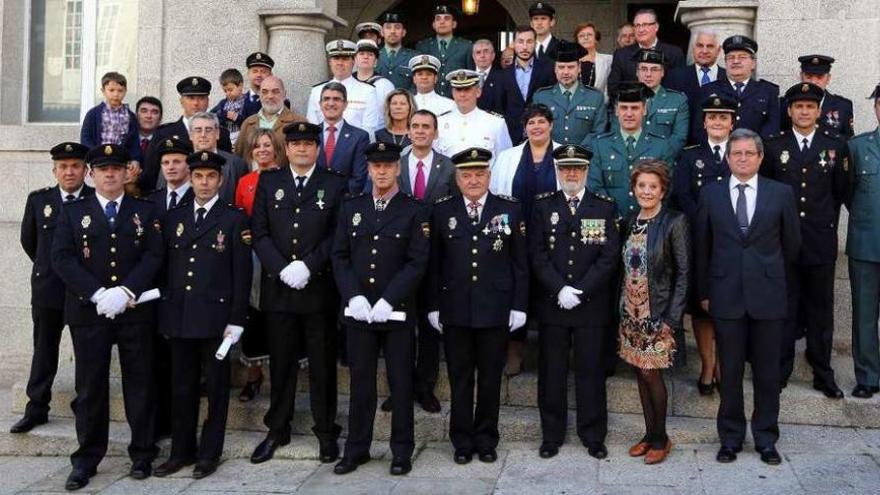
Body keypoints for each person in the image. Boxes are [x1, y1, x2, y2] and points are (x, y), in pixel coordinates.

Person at [51, 144, 164, 490]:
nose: (110, 174)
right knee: (90, 388)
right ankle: (86, 458)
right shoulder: (73, 212)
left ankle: (142, 454)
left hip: (135, 312)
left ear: (127, 173)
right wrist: (99, 294)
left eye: (116, 168)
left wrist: (126, 291)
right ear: (91, 174)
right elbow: (62, 258)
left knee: (140, 384)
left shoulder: (145, 210)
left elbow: (155, 254)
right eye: (102, 169)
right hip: (90, 313)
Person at [695, 128, 801, 465]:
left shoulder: (780, 193)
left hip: (768, 296)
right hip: (726, 295)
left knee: (767, 374)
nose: (742, 158)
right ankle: (730, 438)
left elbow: (792, 246)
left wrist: (769, 276)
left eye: (748, 153)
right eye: (736, 153)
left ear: (759, 157)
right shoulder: (711, 194)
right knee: (730, 372)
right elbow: (703, 248)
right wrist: (705, 292)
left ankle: (766, 439)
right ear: (728, 158)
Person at [249, 122, 347, 465]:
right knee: (282, 362)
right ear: (286, 149)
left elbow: (338, 234)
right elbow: (258, 232)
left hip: (318, 289)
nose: (302, 149)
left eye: (309, 144)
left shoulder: (334, 183)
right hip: (279, 290)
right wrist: (281, 268)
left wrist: (308, 266)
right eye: (296, 144)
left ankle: (325, 430)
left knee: (322, 364)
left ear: (317, 149)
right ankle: (278, 428)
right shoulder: (270, 181)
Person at [331, 141, 430, 476]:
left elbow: (418, 262)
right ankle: (356, 448)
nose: (382, 171)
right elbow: (340, 256)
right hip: (359, 313)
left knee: (401, 384)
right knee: (361, 385)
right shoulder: (351, 207)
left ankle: (401, 450)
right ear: (369, 169)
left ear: (398, 168)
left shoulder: (414, 209)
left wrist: (389, 299)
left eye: (388, 165)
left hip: (397, 312)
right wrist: (353, 297)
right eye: (376, 166)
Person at [152, 150, 251, 480]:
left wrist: (237, 320)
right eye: (198, 176)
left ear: (221, 181)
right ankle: (181, 451)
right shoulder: (174, 218)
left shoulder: (233, 219)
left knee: (218, 390)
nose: (204, 182)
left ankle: (209, 453)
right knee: (181, 388)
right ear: (190, 179)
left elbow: (241, 274)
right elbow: (164, 270)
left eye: (211, 176)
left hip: (216, 320)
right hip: (180, 317)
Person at [427, 147, 528, 464]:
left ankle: (486, 439)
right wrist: (433, 305)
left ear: (488, 176)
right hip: (455, 308)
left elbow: (519, 262)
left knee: (489, 378)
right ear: (457, 178)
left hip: (495, 308)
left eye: (479, 174)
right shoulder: (443, 210)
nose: (473, 180)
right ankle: (461, 440)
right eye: (466, 175)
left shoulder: (508, 208)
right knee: (460, 378)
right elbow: (434, 263)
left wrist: (519, 305)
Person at [529, 144, 618, 460]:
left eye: (577, 169)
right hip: (554, 304)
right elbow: (537, 254)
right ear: (557, 171)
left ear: (586, 172)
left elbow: (608, 258)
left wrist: (579, 290)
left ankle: (593, 435)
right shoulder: (542, 207)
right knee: (551, 373)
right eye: (565, 168)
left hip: (590, 304)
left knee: (591, 372)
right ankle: (551, 435)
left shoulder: (603, 207)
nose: (571, 173)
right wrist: (559, 289)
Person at [762, 82, 849, 397]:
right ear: (789, 110)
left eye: (810, 106)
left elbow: (841, 192)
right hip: (783, 243)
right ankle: (781, 370)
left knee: (820, 311)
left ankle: (822, 373)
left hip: (819, 241)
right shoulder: (773, 146)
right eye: (798, 106)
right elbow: (767, 194)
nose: (803, 111)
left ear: (819, 111)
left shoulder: (835, 146)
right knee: (783, 309)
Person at [11, 142, 93, 435]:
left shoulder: (95, 201)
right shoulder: (39, 201)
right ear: (54, 170)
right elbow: (29, 242)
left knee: (86, 353)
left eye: (75, 166)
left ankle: (84, 404)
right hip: (48, 289)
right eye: (63, 167)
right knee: (44, 349)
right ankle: (36, 408)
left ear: (85, 170)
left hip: (83, 292)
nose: (69, 172)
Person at [380, 110, 457, 414]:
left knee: (428, 325)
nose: (421, 131)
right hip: (396, 255)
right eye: (415, 126)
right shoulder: (393, 162)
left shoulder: (448, 167)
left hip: (435, 255)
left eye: (427, 126)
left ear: (435, 133)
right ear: (408, 131)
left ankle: (425, 387)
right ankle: (397, 388)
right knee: (396, 326)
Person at [619, 160, 689, 465]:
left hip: (657, 314)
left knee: (651, 373)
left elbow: (684, 273)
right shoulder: (629, 220)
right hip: (630, 314)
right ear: (634, 189)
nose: (646, 191)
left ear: (662, 191)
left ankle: (661, 438)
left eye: (653, 186)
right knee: (639, 372)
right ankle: (649, 435)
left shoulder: (675, 222)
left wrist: (672, 319)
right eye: (641, 186)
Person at [672, 95, 736, 395]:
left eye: (723, 118)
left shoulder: (741, 153)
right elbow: (683, 195)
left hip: (733, 242)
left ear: (732, 122)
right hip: (698, 241)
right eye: (712, 117)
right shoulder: (690, 156)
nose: (717, 123)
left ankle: (723, 364)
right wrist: (704, 225)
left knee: (727, 307)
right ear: (705, 122)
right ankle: (707, 364)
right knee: (701, 309)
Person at [233, 129, 284, 402]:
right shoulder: (245, 182)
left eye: (268, 145)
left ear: (276, 149)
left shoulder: (286, 178)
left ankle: (281, 377)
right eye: (257, 146)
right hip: (253, 257)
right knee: (253, 313)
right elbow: (240, 217)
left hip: (282, 256)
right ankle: (253, 376)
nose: (262, 150)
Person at [587, 81, 675, 218]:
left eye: (634, 108)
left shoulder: (661, 146)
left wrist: (647, 215)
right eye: (624, 108)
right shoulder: (599, 145)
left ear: (644, 109)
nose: (629, 114)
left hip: (649, 222)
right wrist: (614, 215)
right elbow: (595, 186)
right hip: (611, 221)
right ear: (616, 110)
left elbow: (667, 188)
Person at [139, 76, 232, 192]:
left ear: (208, 101)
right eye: (191, 98)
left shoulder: (221, 134)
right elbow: (150, 176)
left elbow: (227, 169)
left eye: (201, 98)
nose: (196, 103)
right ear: (181, 101)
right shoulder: (164, 134)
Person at [847, 83, 880, 399]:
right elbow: (846, 192)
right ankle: (868, 376)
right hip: (866, 244)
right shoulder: (857, 147)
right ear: (876, 107)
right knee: (865, 315)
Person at [698, 35, 779, 141]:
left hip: (755, 153)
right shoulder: (708, 90)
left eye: (742, 57)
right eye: (731, 57)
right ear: (726, 62)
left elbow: (773, 128)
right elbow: (699, 128)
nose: (736, 61)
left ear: (753, 63)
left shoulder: (768, 91)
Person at [533, 42, 608, 146]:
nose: (566, 72)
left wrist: (578, 152)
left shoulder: (595, 97)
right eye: (561, 67)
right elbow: (537, 130)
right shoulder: (541, 97)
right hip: (550, 157)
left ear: (579, 68)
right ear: (555, 69)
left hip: (586, 157)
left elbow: (599, 131)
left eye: (571, 67)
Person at [620, 48, 688, 155]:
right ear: (637, 72)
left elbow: (679, 138)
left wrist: (658, 158)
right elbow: (617, 135)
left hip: (662, 164)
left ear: (662, 72)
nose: (648, 74)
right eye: (643, 69)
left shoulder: (677, 100)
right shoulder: (621, 99)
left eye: (654, 69)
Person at [436, 69, 513, 163]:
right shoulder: (439, 122)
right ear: (452, 93)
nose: (462, 94)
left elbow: (505, 161)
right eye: (458, 89)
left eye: (467, 89)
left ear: (478, 92)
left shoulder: (496, 123)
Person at [496, 26, 557, 144]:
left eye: (529, 41)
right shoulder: (503, 75)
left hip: (541, 133)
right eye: (520, 41)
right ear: (513, 44)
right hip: (511, 136)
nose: (525, 47)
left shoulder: (548, 70)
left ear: (535, 43)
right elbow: (500, 108)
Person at [607, 9, 685, 101]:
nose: (640, 29)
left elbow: (680, 87)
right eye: (637, 25)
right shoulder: (621, 55)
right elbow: (613, 88)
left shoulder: (674, 53)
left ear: (656, 27)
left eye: (645, 25)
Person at [307, 40, 382, 132]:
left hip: (357, 145)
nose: (340, 63)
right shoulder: (316, 91)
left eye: (345, 59)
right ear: (330, 62)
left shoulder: (368, 91)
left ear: (353, 62)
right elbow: (312, 127)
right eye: (336, 58)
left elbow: (370, 129)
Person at [665, 30, 725, 141]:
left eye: (710, 46)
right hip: (684, 147)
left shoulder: (728, 78)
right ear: (693, 48)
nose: (704, 50)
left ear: (718, 50)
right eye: (700, 45)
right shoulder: (674, 77)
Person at [176, 112, 248, 204]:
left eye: (208, 130)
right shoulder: (178, 164)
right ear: (190, 135)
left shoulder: (237, 165)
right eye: (198, 130)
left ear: (217, 133)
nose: (203, 135)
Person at [234, 75, 307, 165]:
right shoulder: (248, 123)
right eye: (264, 92)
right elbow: (238, 157)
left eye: (275, 92)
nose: (270, 96)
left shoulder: (298, 122)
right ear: (259, 95)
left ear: (284, 94)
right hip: (253, 178)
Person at [314, 82, 371, 194]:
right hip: (312, 202)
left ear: (345, 104)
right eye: (326, 99)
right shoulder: (311, 135)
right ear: (320, 104)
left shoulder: (359, 137)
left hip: (344, 202)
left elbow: (359, 179)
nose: (331, 103)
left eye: (336, 99)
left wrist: (331, 194)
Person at [780, 55, 854, 139]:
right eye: (809, 76)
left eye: (819, 77)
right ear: (801, 76)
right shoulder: (785, 104)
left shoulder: (843, 106)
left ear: (828, 78)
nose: (813, 82)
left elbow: (848, 141)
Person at [416, 4, 475, 97]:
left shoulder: (466, 47)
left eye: (447, 18)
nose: (442, 22)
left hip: (457, 101)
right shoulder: (422, 46)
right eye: (438, 19)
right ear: (434, 25)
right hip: (430, 101)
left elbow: (472, 77)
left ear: (454, 24)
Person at [80, 72, 141, 162]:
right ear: (103, 91)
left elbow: (134, 142)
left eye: (120, 90)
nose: (116, 94)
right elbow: (85, 138)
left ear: (125, 91)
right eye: (111, 90)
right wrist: (95, 154)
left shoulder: (130, 116)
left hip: (121, 161)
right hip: (98, 160)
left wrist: (135, 159)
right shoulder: (93, 114)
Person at [146, 138, 194, 214]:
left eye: (176, 162)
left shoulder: (199, 198)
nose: (170, 167)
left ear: (189, 166)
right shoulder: (151, 200)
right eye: (166, 162)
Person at [376, 11, 419, 89]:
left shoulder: (414, 57)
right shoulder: (373, 56)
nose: (393, 31)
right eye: (388, 27)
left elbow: (418, 87)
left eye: (397, 27)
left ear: (404, 32)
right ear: (382, 32)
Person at [573, 23, 612, 98]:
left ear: (596, 39)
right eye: (581, 35)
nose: (586, 37)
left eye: (589, 35)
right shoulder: (570, 61)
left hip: (599, 104)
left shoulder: (608, 60)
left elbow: (609, 88)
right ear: (577, 41)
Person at [210, 68, 246, 145]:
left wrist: (236, 117)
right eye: (225, 91)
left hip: (242, 136)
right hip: (226, 136)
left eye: (230, 90)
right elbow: (211, 114)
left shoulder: (247, 102)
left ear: (240, 86)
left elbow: (250, 122)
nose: (227, 93)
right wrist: (220, 116)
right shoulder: (223, 103)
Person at [354, 39, 395, 104]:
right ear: (355, 59)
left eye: (370, 54)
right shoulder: (346, 82)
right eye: (361, 54)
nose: (365, 57)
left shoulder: (385, 85)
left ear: (376, 61)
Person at [241, 52, 275, 121]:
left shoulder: (278, 102)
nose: (259, 74)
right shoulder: (237, 101)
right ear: (248, 74)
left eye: (263, 71)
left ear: (271, 75)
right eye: (255, 71)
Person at [474, 39, 503, 111]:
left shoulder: (503, 77)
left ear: (493, 56)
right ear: (473, 56)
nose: (482, 56)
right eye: (478, 52)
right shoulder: (467, 76)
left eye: (486, 51)